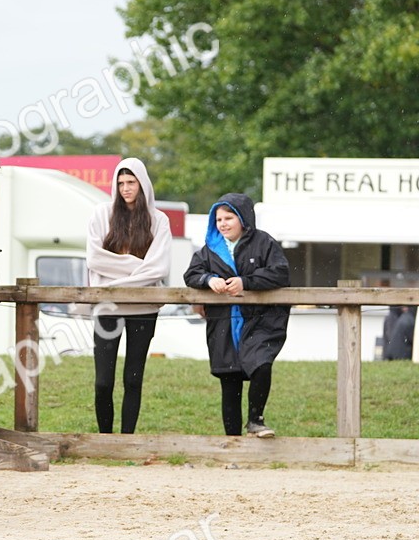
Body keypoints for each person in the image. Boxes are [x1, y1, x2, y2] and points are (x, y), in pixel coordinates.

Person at [184, 193, 290, 438]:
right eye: (218, 219)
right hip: (223, 324)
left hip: (260, 321)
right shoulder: (208, 251)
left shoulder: (265, 243)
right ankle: (232, 443)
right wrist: (208, 280)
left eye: (228, 217)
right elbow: (191, 274)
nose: (222, 223)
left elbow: (280, 273)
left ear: (243, 218)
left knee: (262, 365)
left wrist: (246, 282)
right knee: (229, 381)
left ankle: (256, 420)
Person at [86, 158, 172, 434]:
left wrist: (121, 276)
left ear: (142, 183)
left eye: (131, 182)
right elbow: (95, 259)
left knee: (133, 378)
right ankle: (105, 437)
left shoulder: (159, 220)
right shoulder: (101, 214)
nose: (125, 188)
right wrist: (139, 268)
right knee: (103, 381)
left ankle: (126, 439)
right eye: (120, 183)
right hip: (106, 306)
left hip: (144, 308)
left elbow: (159, 267)